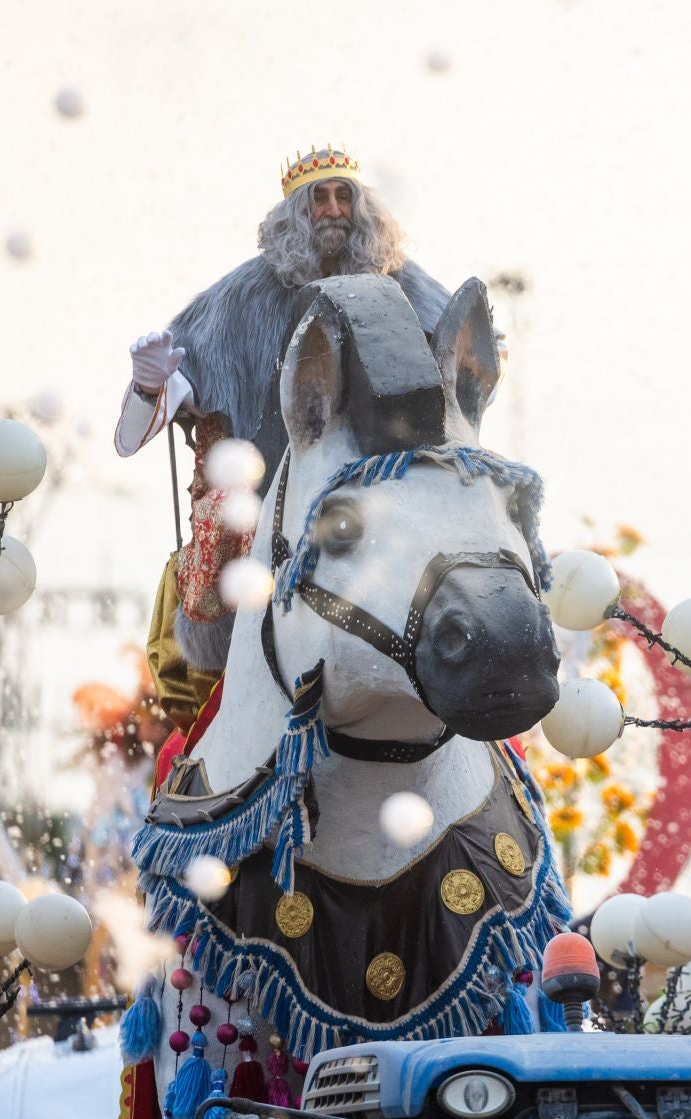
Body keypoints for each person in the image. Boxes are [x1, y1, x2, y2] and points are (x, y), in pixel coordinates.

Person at [114, 147, 451, 724]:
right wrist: (150, 386)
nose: (333, 210)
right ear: (295, 213)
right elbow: (132, 436)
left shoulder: (407, 289)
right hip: (270, 506)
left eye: (344, 196)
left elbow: (466, 371)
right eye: (318, 198)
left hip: (382, 498)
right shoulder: (234, 301)